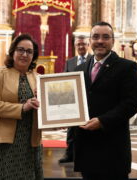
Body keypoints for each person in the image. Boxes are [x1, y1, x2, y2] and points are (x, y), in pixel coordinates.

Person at [74, 21, 137, 180]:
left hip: (112, 148)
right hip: (86, 148)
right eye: (96, 37)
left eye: (105, 37)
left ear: (113, 41)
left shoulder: (127, 67)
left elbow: (131, 103)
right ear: (90, 41)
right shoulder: (79, 70)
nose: (100, 41)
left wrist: (102, 121)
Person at [0, 34, 43, 180]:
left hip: (30, 141)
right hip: (4, 142)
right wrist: (22, 108)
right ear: (12, 51)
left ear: (33, 56)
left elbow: (44, 109)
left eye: (29, 51)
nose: (24, 54)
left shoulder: (38, 78)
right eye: (20, 50)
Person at [59, 35, 92, 163]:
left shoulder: (93, 60)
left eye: (83, 44)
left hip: (89, 101)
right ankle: (69, 154)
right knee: (71, 130)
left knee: (87, 129)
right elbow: (64, 79)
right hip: (73, 101)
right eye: (78, 44)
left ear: (88, 45)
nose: (81, 46)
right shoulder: (70, 62)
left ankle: (86, 155)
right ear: (75, 46)